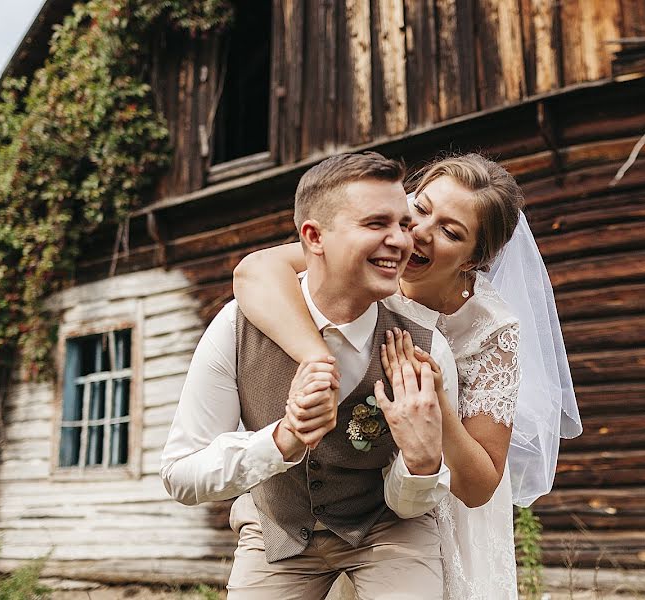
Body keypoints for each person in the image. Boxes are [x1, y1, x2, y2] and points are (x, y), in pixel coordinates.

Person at [233, 153, 582, 599]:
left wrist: (438, 412)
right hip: (343, 493)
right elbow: (254, 271)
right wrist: (318, 360)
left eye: (450, 232)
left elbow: (480, 486)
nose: (418, 233)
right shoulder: (369, 261)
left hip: (436, 508)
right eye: (421, 208)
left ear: (474, 260)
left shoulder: (490, 330)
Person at [160, 152, 461, 600]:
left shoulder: (424, 348)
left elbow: (411, 505)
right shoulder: (235, 327)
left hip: (387, 531)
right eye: (376, 224)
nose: (401, 241)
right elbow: (179, 474)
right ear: (314, 236)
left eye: (403, 224)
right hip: (276, 531)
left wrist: (420, 464)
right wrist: (281, 440)